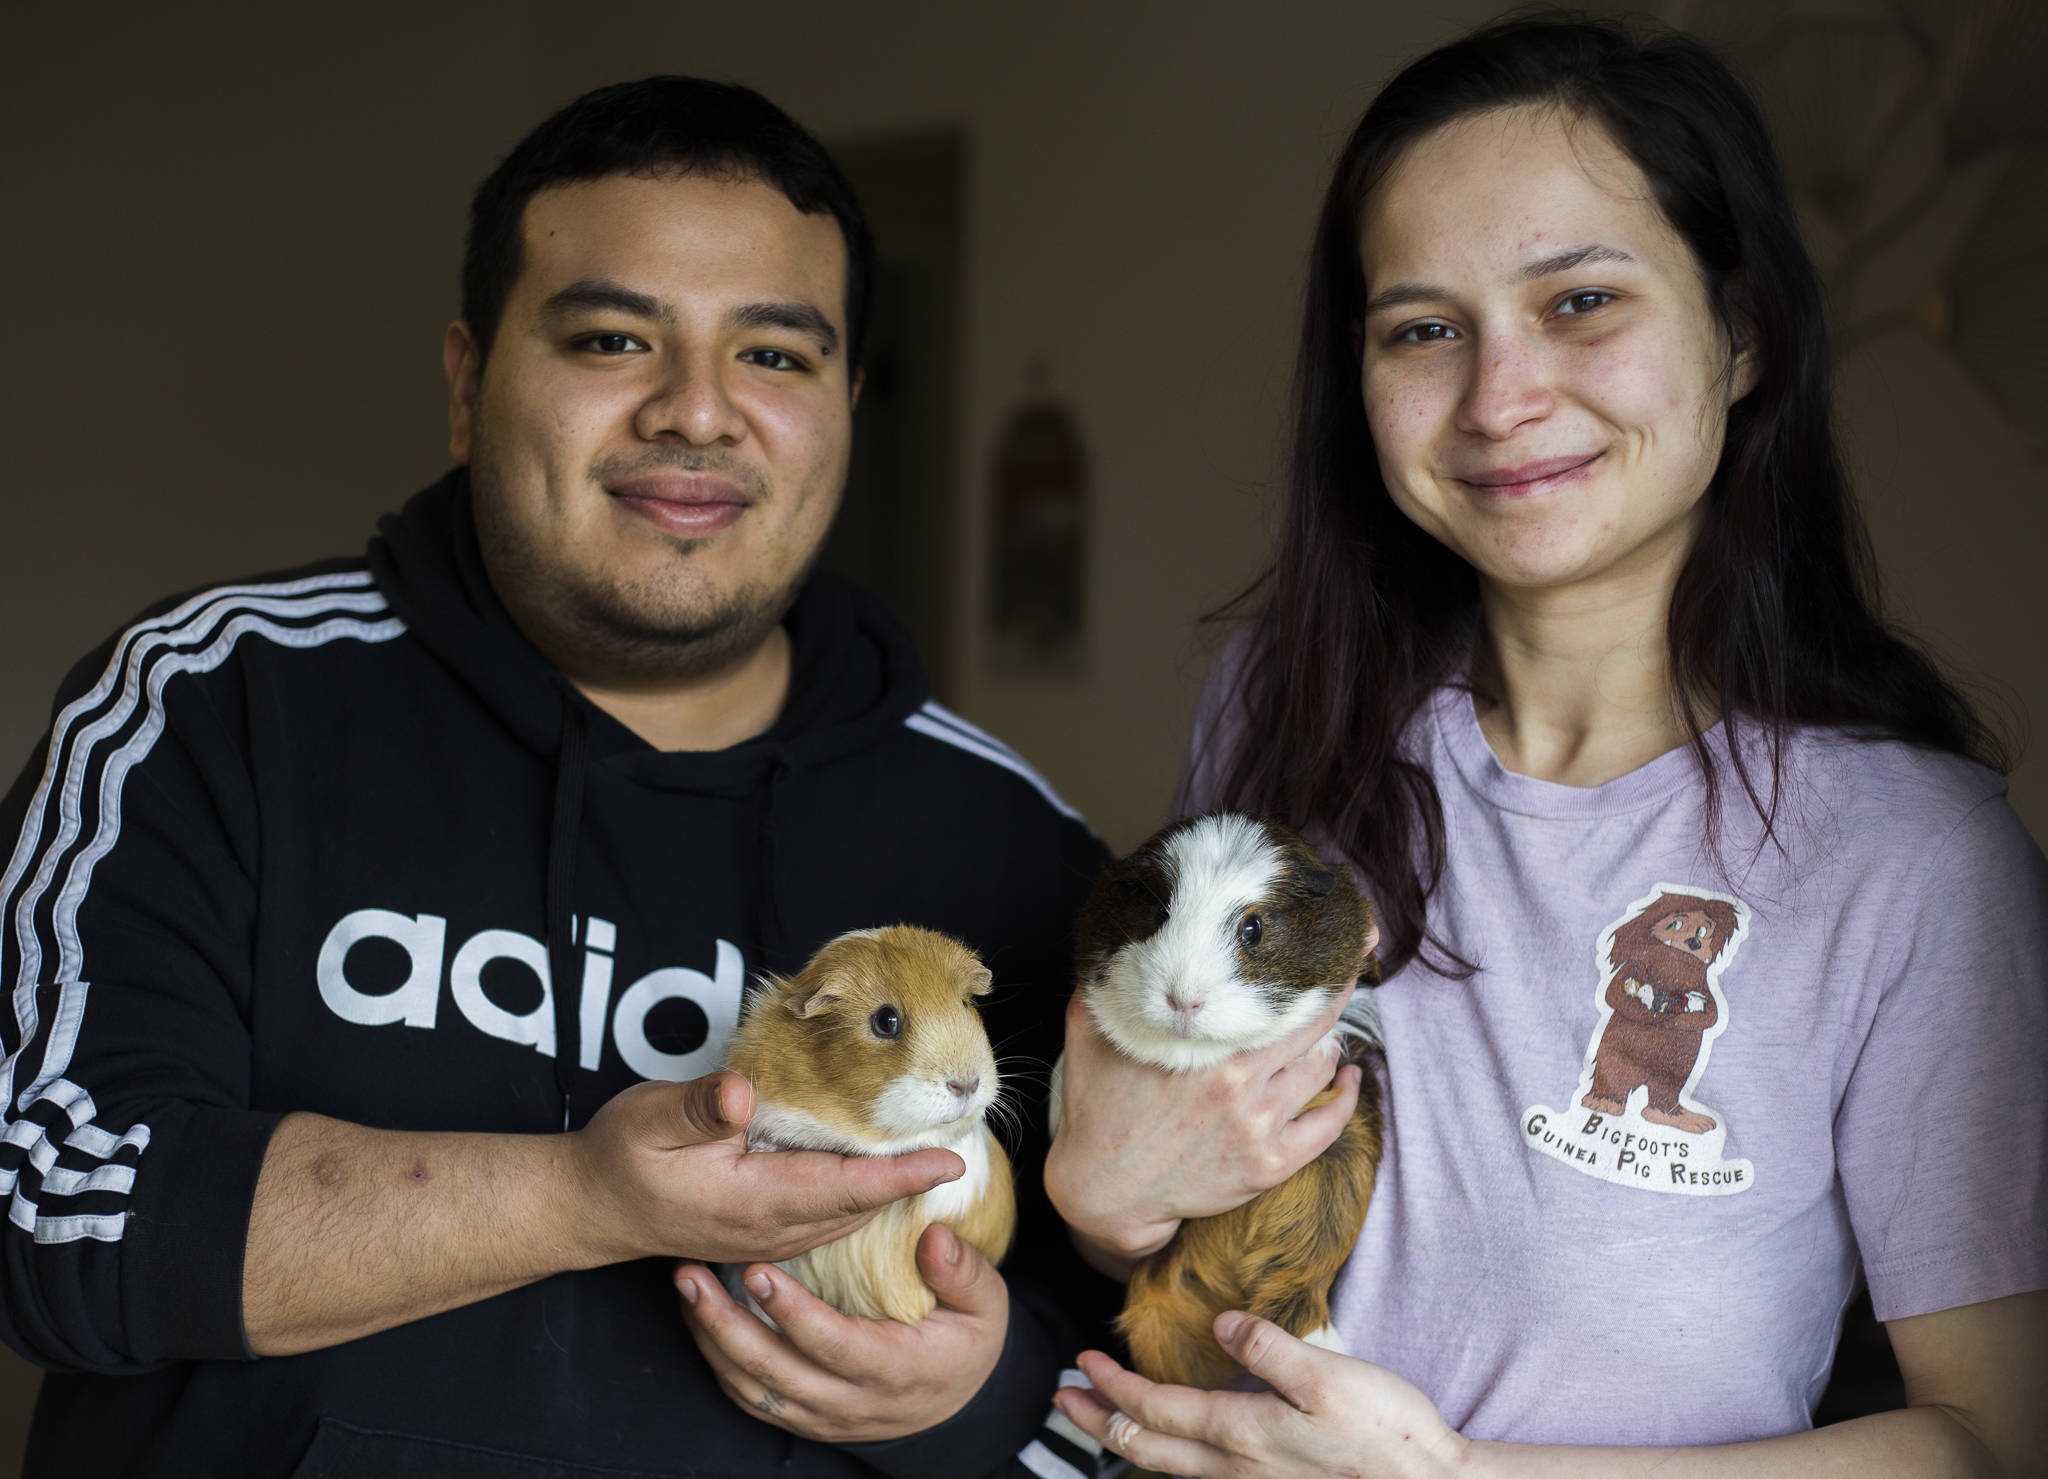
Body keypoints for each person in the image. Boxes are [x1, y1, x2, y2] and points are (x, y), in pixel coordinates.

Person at [0, 76, 1124, 1478]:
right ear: (469, 386)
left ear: (845, 402)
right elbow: (39, 1204)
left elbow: (1148, 1379)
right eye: (611, 338)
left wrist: (970, 1395)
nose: (697, 413)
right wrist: (578, 1198)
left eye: (775, 357)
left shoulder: (1009, 844)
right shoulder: (211, 702)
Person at [1044, 16, 2048, 1477]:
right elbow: (1183, 1205)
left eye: (1580, 301)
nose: (1499, 398)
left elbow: (1998, 1443)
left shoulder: (1914, 861)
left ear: (1745, 328)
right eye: (1423, 329)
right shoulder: (1279, 708)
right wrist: (1097, 1200)